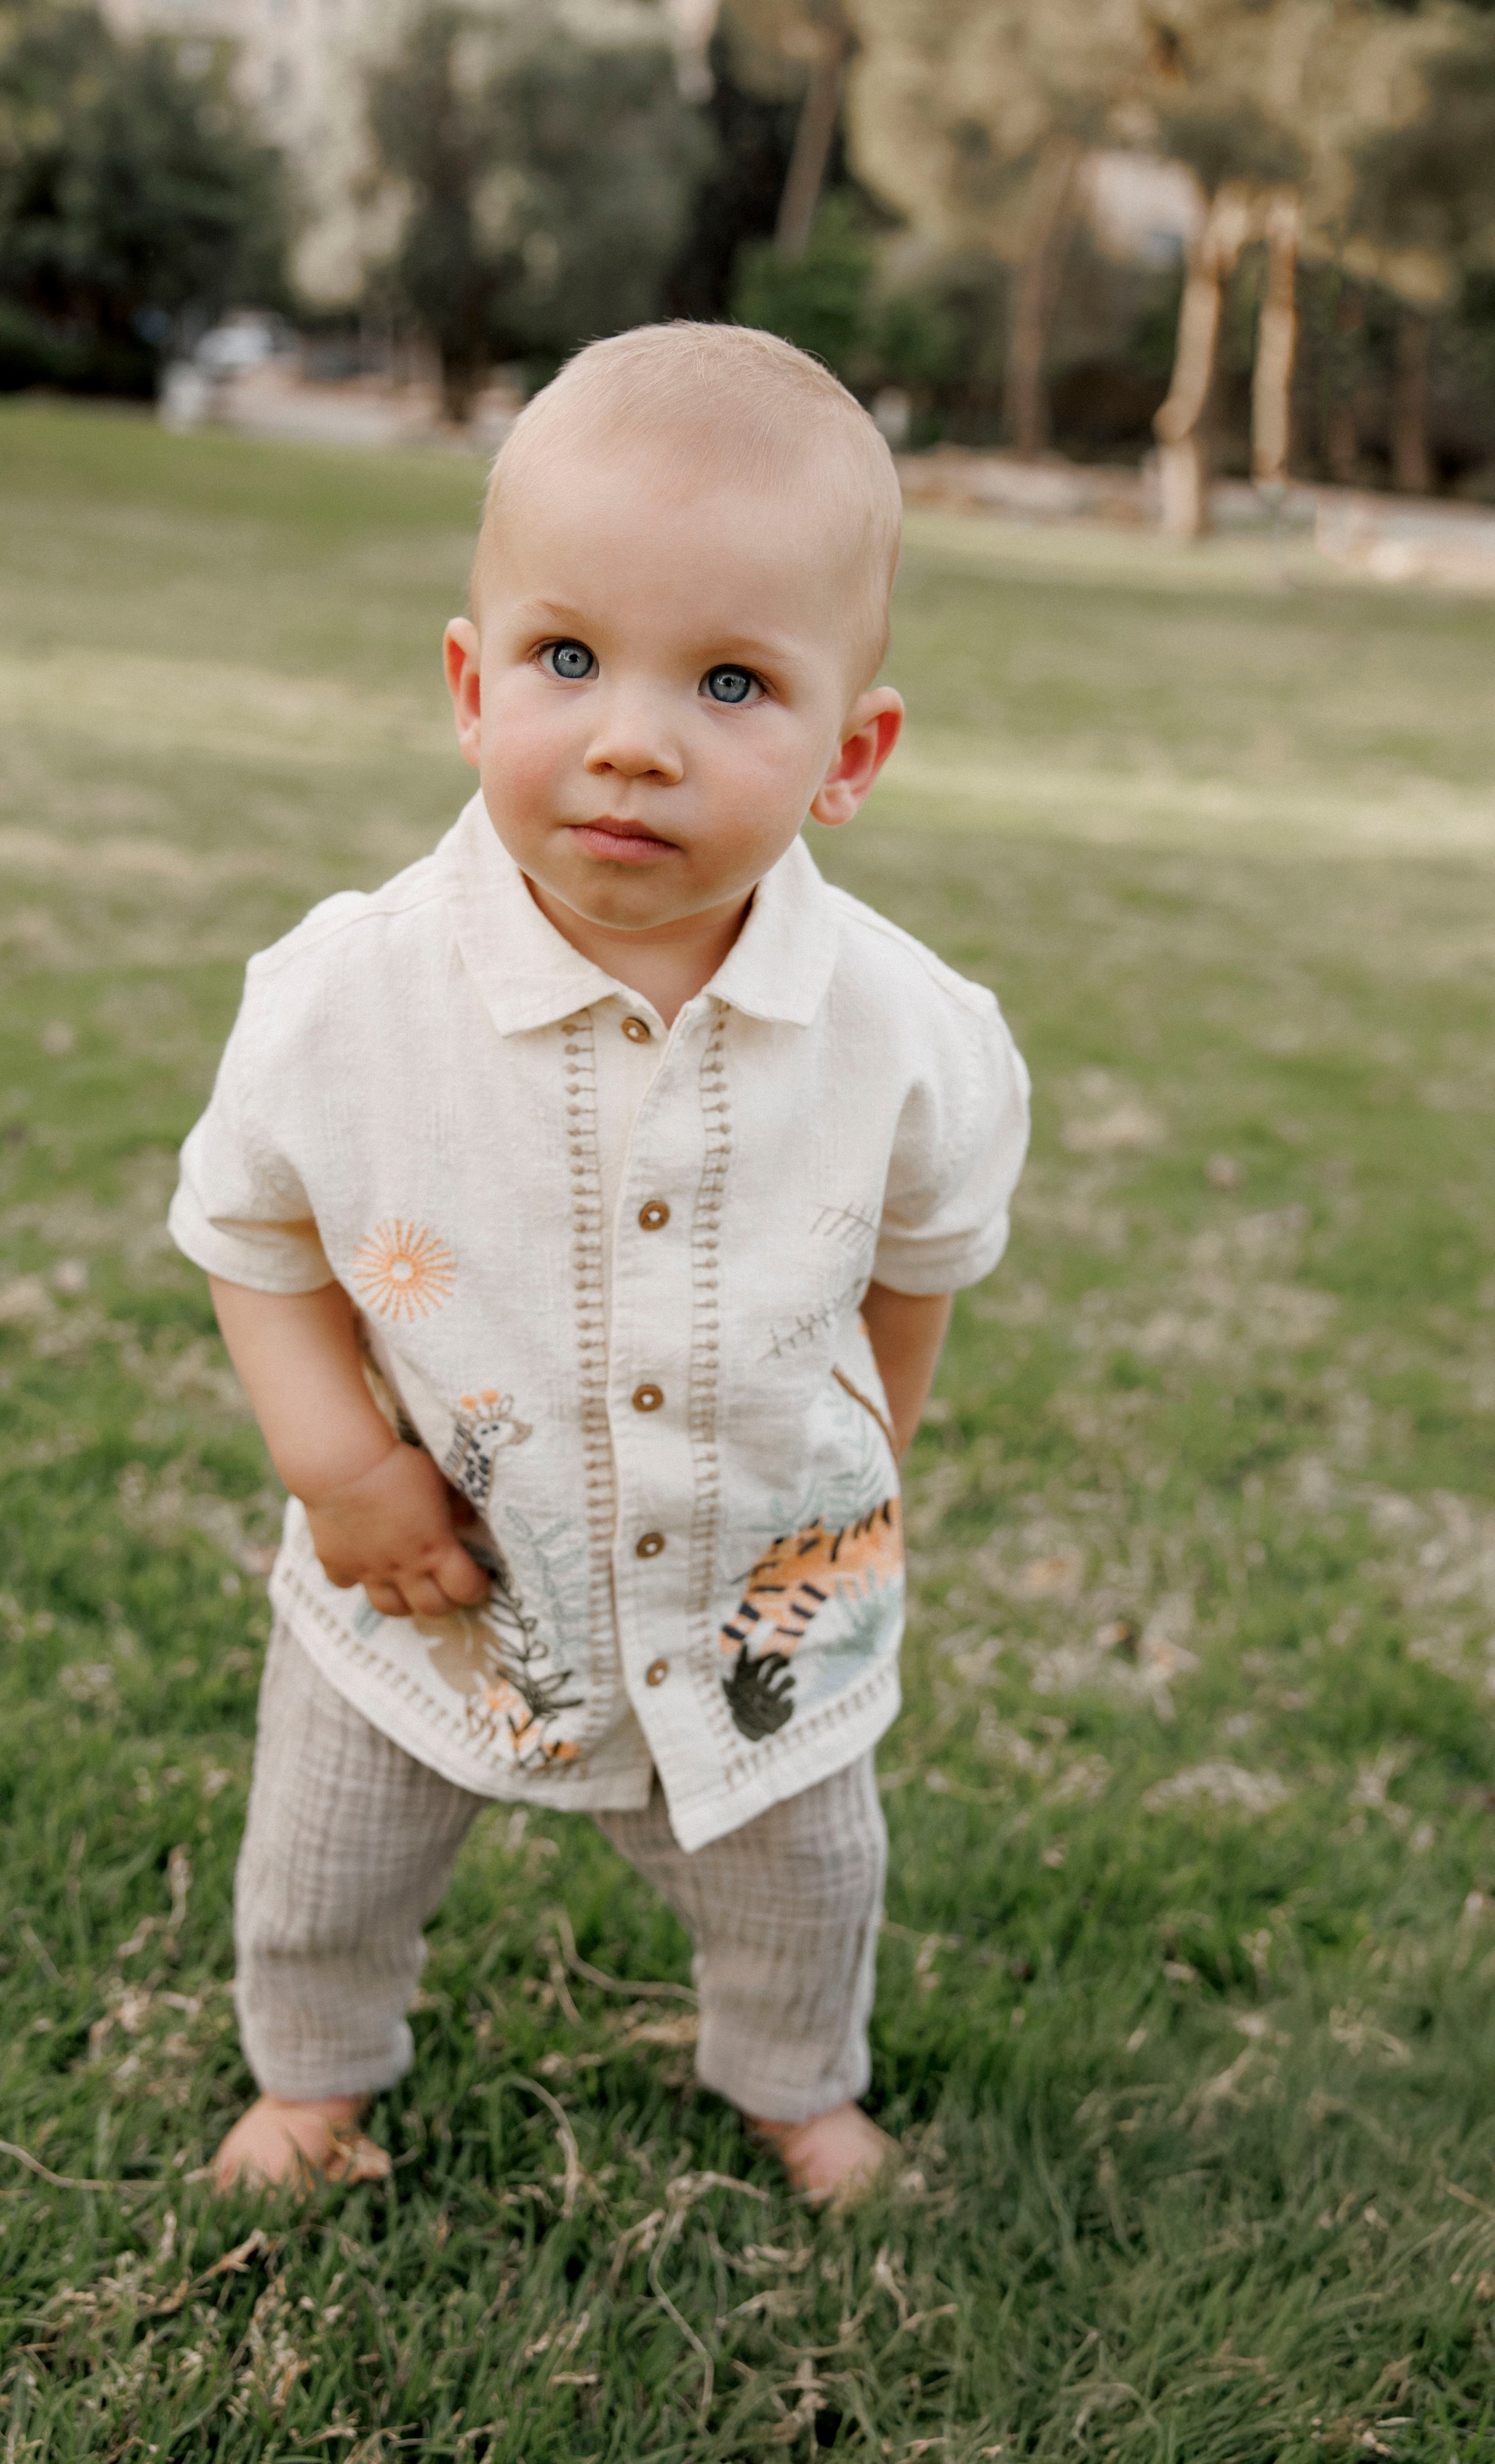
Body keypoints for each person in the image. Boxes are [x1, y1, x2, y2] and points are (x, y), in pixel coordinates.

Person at [168, 323, 1030, 2207]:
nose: (634, 735)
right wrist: (339, 1465)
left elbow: (922, 1255)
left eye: (732, 681)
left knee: (807, 1881)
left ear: (848, 753)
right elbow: (251, 1227)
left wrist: (875, 1449)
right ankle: (313, 2080)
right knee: (327, 1863)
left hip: (757, 1603)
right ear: (472, 686)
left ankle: (796, 2085)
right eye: (571, 660)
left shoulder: (907, 1030)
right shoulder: (351, 996)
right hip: (431, 1584)